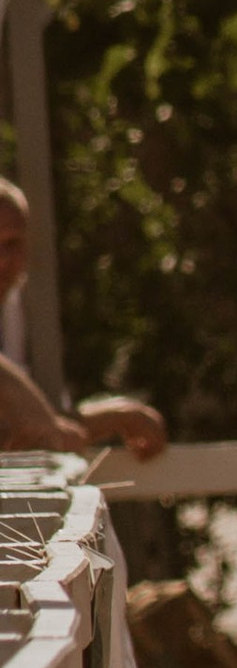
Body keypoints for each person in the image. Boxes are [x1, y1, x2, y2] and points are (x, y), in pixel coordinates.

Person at [0, 173, 168, 461]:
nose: (2, 259)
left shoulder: (22, 313)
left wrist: (119, 416)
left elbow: (43, 427)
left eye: (11, 244)